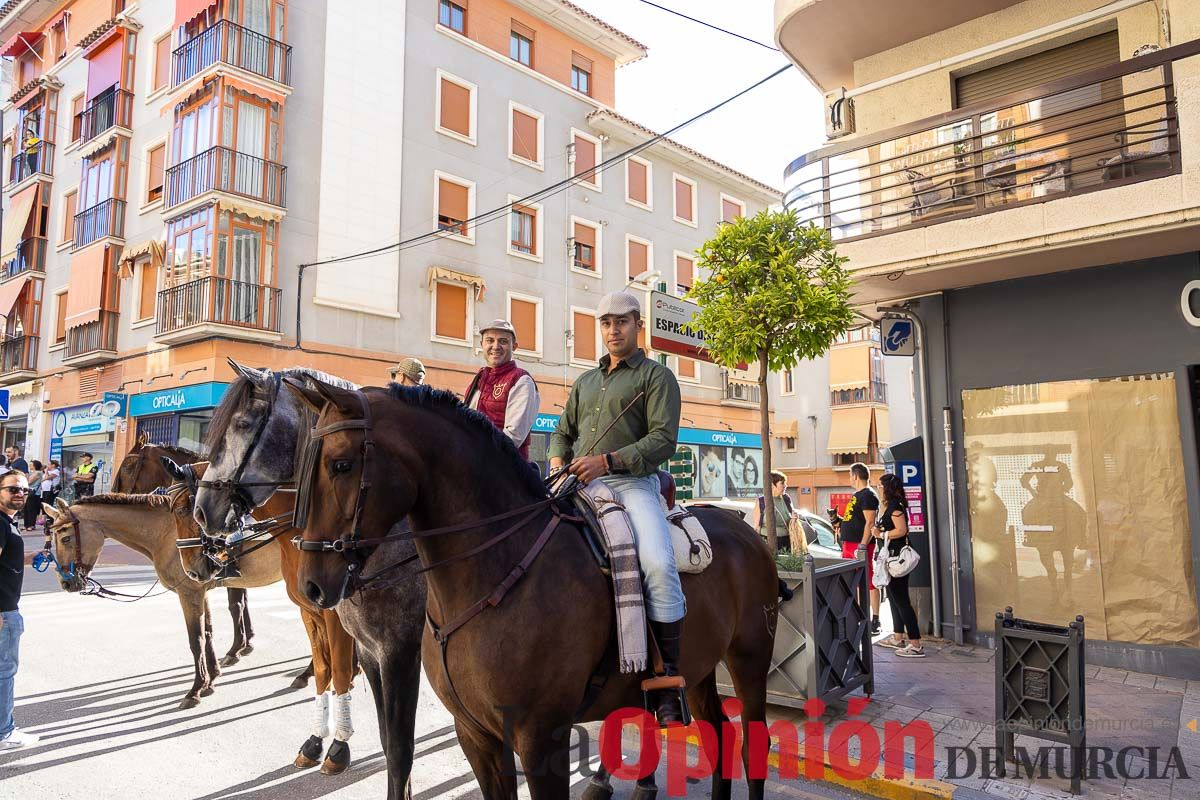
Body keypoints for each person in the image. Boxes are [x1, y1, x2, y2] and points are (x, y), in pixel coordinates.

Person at [549, 290, 686, 725]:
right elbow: (562, 432)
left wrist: (607, 461)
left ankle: (668, 681)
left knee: (659, 564)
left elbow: (663, 441)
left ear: (637, 325)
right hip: (575, 482)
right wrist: (557, 462)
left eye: (622, 321)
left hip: (632, 484)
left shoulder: (656, 377)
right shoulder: (585, 382)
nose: (613, 329)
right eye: (606, 322)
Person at [464, 320, 539, 460]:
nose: (495, 346)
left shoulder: (521, 380)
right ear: (482, 344)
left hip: (506, 472)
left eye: (503, 341)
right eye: (490, 340)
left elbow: (513, 437)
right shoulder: (478, 380)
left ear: (514, 346)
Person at [0, 470, 38, 750]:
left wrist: (29, 558)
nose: (20, 494)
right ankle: (4, 733)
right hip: (4, 613)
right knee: (4, 672)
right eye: (13, 489)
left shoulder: (7, 524)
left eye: (24, 490)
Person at [875, 472, 924, 657]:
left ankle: (916, 644)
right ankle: (897, 637)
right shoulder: (890, 506)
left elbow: (902, 530)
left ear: (887, 488)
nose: (878, 489)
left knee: (902, 601)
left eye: (880, 486)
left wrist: (881, 534)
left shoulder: (895, 506)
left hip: (898, 559)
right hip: (891, 558)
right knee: (894, 599)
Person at [837, 462, 882, 634]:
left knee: (870, 582)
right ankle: (856, 618)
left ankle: (875, 620)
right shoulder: (858, 495)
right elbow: (857, 520)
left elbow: (870, 521)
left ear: (855, 476)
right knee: (852, 583)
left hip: (860, 545)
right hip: (849, 544)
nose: (849, 478)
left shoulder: (868, 495)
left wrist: (863, 544)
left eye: (850, 475)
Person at [751, 471, 796, 553]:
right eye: (782, 483)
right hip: (767, 542)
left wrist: (794, 518)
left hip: (786, 542)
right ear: (772, 485)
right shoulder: (761, 501)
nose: (785, 486)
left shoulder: (786, 499)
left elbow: (791, 518)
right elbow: (757, 526)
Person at [22, 461, 42, 532]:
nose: (30, 466)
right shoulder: (32, 473)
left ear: (35, 465)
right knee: (26, 508)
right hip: (28, 492)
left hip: (34, 493)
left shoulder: (38, 473)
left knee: (31, 509)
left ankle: (31, 525)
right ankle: (26, 525)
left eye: (31, 465)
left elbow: (29, 482)